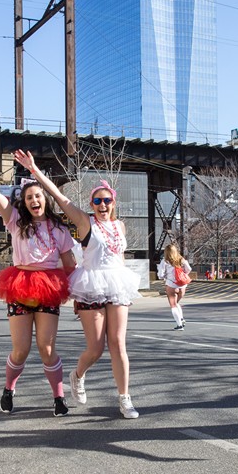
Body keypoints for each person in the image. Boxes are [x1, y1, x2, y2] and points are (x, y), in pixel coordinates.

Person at [16, 150, 142, 419]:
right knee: (96, 348)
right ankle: (77, 374)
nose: (103, 204)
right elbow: (60, 198)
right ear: (92, 203)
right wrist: (35, 170)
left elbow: (118, 255)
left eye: (107, 200)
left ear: (113, 202)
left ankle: (125, 398)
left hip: (117, 282)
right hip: (91, 284)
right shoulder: (85, 222)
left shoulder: (119, 226)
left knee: (118, 344)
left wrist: (123, 280)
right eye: (98, 200)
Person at [0, 140, 77, 417]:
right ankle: (9, 388)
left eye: (38, 196)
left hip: (50, 288)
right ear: (24, 203)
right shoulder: (15, 220)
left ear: (45, 199)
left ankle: (59, 398)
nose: (34, 201)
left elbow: (70, 264)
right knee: (22, 349)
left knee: (47, 347)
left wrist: (78, 295)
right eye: (29, 198)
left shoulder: (59, 229)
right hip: (21, 285)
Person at [157, 243, 192, 330]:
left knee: (173, 305)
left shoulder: (165, 261)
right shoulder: (181, 260)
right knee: (177, 303)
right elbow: (189, 269)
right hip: (182, 285)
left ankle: (179, 324)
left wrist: (165, 277)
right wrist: (183, 274)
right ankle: (181, 318)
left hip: (171, 284)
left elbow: (160, 275)